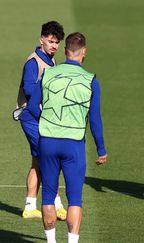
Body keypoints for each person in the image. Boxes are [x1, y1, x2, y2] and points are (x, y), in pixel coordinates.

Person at [27, 32, 107, 243]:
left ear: (65, 51)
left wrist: (48, 120)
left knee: (48, 196)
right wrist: (101, 150)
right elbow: (95, 120)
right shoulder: (91, 81)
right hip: (73, 145)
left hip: (48, 142)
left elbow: (33, 107)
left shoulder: (48, 74)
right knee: (75, 200)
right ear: (84, 53)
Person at [16, 20, 67, 220]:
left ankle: (29, 206)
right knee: (48, 159)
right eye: (51, 41)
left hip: (41, 117)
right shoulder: (33, 62)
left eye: (57, 42)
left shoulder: (51, 60)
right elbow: (29, 90)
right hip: (30, 117)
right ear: (42, 40)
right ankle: (57, 204)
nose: (54, 45)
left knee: (38, 160)